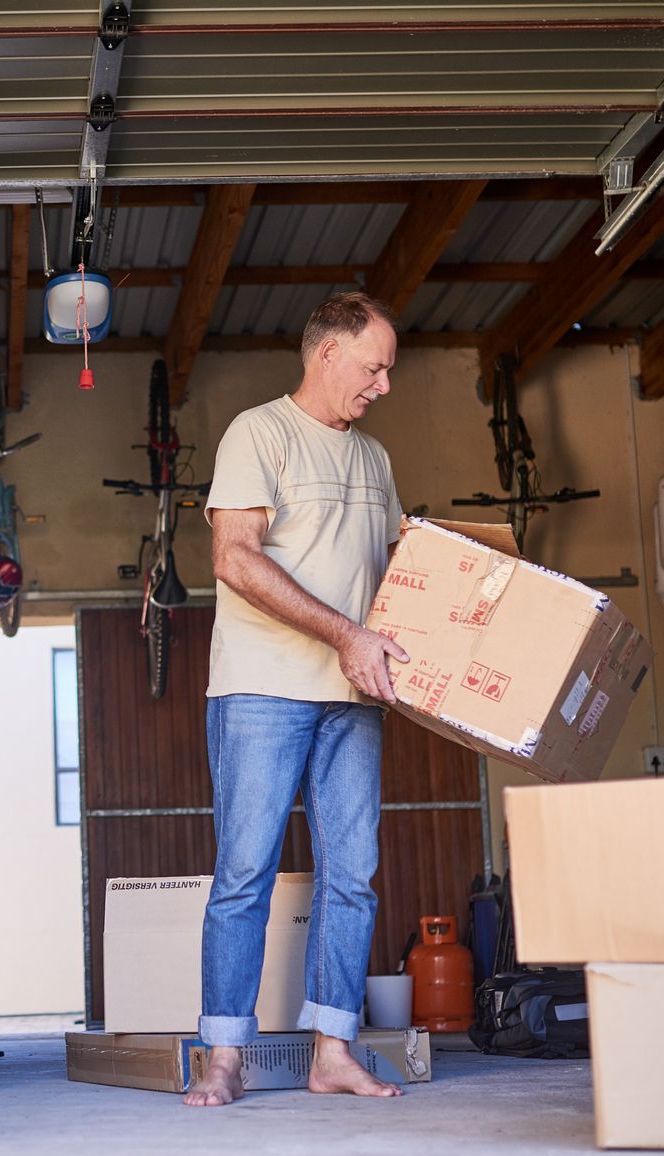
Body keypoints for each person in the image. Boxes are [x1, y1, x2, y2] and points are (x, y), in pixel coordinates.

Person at [185, 291, 408, 1107]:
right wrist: (344, 633)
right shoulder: (260, 432)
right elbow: (234, 558)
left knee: (353, 875)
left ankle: (333, 1052)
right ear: (328, 354)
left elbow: (392, 580)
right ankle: (225, 1056)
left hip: (354, 696)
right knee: (245, 872)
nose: (383, 384)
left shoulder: (376, 461)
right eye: (375, 366)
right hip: (262, 688)